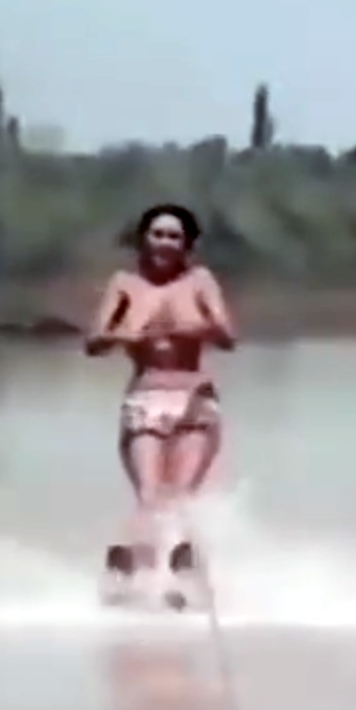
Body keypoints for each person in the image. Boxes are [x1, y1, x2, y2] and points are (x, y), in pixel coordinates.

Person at [83, 203, 238, 604]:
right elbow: (94, 342)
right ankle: (129, 575)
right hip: (145, 399)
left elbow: (227, 336)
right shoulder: (125, 284)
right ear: (143, 239)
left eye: (174, 236)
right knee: (151, 495)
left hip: (194, 399)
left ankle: (182, 577)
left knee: (181, 496)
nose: (165, 243)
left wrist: (190, 326)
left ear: (186, 244)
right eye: (158, 234)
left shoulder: (200, 280)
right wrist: (128, 333)